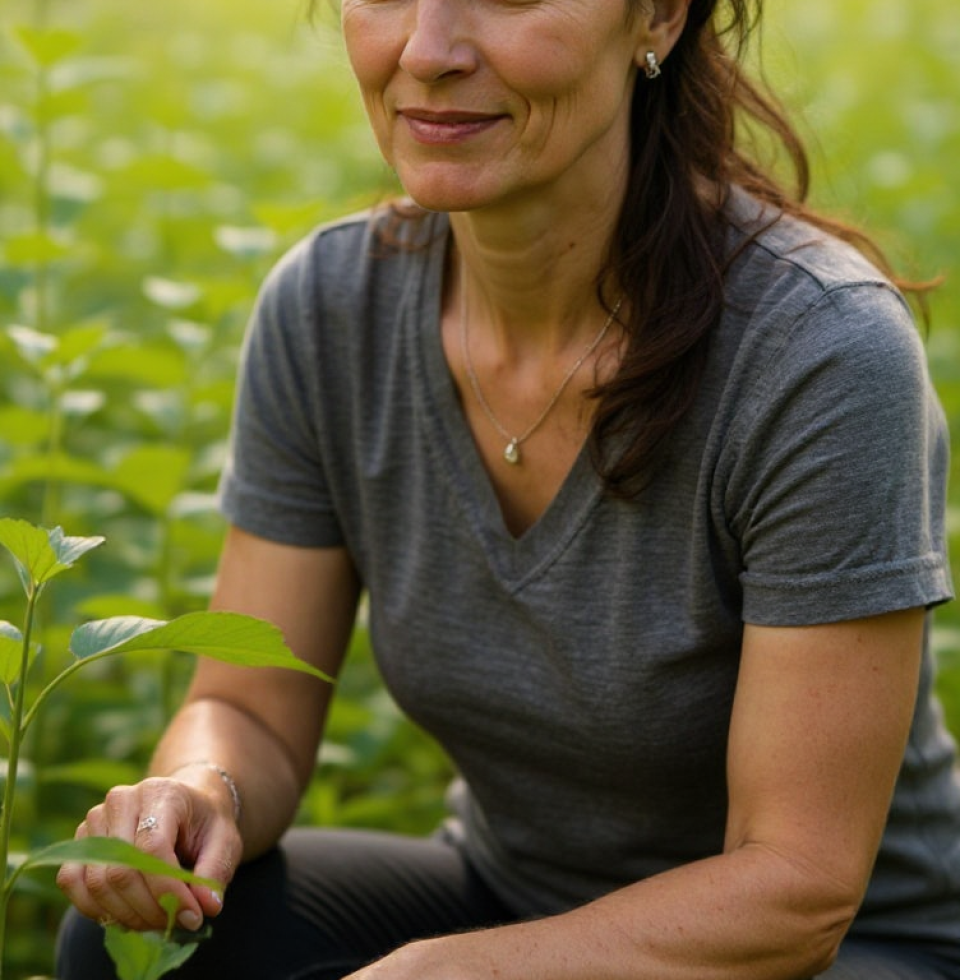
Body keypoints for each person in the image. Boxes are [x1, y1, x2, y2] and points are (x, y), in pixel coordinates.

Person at [55, 0, 960, 977]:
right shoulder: (327, 309)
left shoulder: (815, 350)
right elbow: (251, 708)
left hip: (840, 949)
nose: (427, 50)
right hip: (509, 896)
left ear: (657, 16)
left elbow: (797, 884)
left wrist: (445, 972)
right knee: (141, 949)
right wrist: (200, 789)